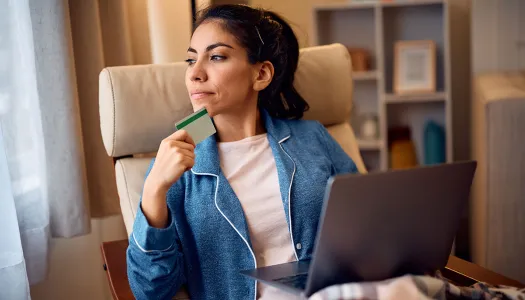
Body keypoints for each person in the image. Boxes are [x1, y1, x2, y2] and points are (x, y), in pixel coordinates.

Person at [127, 4, 358, 300]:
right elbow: (150, 291)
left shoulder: (312, 138)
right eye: (190, 59)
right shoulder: (176, 161)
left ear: (261, 74)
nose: (195, 74)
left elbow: (366, 224)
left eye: (217, 56)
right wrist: (154, 190)